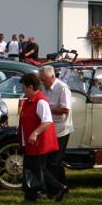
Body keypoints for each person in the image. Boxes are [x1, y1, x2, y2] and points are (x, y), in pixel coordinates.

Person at [18, 72, 65, 203]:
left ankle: (57, 188)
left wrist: (35, 133)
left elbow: (47, 121)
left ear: (30, 87)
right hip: (30, 143)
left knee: (37, 169)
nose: (22, 90)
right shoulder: (29, 101)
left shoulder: (40, 102)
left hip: (38, 143)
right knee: (32, 168)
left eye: (24, 87)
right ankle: (31, 195)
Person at [40, 64, 72, 193]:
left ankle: (53, 189)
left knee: (54, 161)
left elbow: (65, 109)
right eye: (41, 80)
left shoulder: (62, 88)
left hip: (61, 129)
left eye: (44, 80)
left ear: (52, 77)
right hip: (49, 128)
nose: (42, 82)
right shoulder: (43, 87)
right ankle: (62, 185)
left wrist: (47, 109)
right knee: (52, 161)